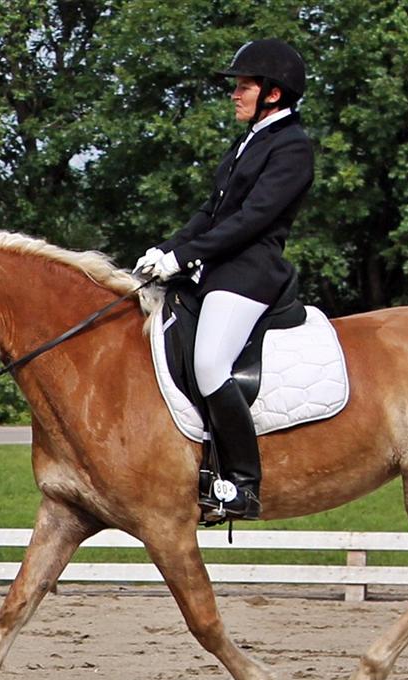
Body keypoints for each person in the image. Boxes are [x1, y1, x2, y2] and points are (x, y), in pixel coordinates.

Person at [135, 38, 315, 521]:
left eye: (244, 87)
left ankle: (243, 483)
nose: (234, 94)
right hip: (217, 268)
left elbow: (253, 220)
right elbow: (210, 212)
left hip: (250, 272)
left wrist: (186, 256)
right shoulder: (248, 141)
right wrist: (167, 250)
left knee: (211, 363)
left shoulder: (293, 146)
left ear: (273, 93)